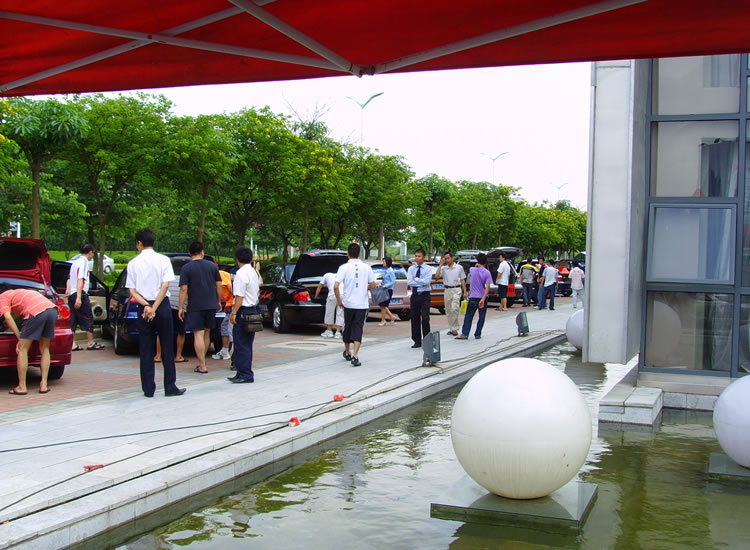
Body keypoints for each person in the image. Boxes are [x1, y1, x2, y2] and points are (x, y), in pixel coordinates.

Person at [126, 228, 185, 398]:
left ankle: (148, 389)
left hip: (143, 307)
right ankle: (170, 386)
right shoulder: (163, 260)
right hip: (162, 306)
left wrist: (147, 306)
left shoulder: (133, 263)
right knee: (167, 344)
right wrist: (155, 307)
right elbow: (165, 285)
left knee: (146, 347)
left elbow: (132, 290)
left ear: (139, 243)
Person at [0, 288, 58, 395]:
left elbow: (8, 317)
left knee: (23, 349)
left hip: (35, 312)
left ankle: (22, 387)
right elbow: (17, 312)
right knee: (45, 348)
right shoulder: (18, 293)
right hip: (52, 310)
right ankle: (44, 385)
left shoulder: (2, 298)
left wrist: (19, 338)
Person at [178, 241, 222, 374]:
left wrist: (181, 307)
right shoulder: (212, 266)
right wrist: (218, 301)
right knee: (207, 332)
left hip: (195, 305)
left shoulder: (186, 268)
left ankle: (202, 365)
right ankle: (203, 363)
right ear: (202, 252)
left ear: (190, 253)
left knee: (198, 333)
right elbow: (219, 285)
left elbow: (184, 289)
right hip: (211, 304)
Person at [334, 242, 376, 367]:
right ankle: (355, 355)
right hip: (362, 304)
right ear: (359, 254)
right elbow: (373, 285)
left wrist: (339, 300)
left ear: (348, 254)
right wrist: (365, 287)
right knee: (358, 327)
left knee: (347, 326)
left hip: (348, 303)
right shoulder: (367, 267)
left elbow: (336, 286)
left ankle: (347, 352)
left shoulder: (343, 267)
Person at [228, 247, 261, 383]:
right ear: (251, 258)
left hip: (243, 310)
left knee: (241, 343)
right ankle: (241, 372)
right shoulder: (253, 272)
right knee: (246, 343)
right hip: (253, 309)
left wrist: (234, 312)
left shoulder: (240, 274)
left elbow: (239, 296)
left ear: (237, 259)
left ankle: (245, 374)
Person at [67, 244, 103, 351]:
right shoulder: (84, 262)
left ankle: (72, 343)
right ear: (90, 252)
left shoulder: (75, 262)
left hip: (72, 293)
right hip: (80, 293)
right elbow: (80, 279)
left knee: (72, 318)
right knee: (88, 316)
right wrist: (79, 297)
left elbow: (69, 278)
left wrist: (68, 289)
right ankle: (90, 342)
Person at [456, 252, 492, 340]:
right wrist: (483, 299)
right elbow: (487, 287)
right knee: (482, 316)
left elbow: (474, 268)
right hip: (482, 297)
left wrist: (476, 265)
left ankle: (465, 333)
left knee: (469, 315)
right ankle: (478, 334)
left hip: (473, 297)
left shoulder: (472, 269)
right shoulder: (487, 273)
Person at [154, 273, 188, 364]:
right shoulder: (185, 277)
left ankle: (158, 356)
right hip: (180, 307)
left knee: (161, 331)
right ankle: (178, 356)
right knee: (181, 332)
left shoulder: (166, 277)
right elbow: (185, 291)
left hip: (166, 306)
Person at [406, 249, 435, 348]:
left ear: (423, 257)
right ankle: (417, 340)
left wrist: (416, 279)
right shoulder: (411, 269)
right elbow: (410, 282)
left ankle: (427, 340)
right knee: (415, 318)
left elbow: (427, 282)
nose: (417, 258)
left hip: (425, 295)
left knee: (425, 318)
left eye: (419, 256)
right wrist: (420, 282)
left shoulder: (428, 269)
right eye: (416, 256)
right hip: (415, 295)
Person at [435, 251, 466, 336]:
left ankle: (455, 328)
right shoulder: (444, 269)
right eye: (445, 259)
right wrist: (440, 265)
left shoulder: (459, 267)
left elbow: (462, 279)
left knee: (454, 308)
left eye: (448, 258)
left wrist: (464, 291)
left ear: (452, 258)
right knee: (448, 310)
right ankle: (451, 328)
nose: (447, 260)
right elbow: (436, 276)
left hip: (456, 289)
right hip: (447, 289)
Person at [212, 268, 235, 359]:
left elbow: (229, 285)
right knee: (224, 328)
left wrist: (235, 297)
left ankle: (234, 354)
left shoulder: (220, 274)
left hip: (231, 305)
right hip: (228, 306)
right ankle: (225, 351)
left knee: (230, 329)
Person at [315, 271, 344, 338]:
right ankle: (338, 332)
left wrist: (316, 296)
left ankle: (329, 331)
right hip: (343, 295)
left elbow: (319, 287)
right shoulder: (340, 275)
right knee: (340, 313)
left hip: (332, 295)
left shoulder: (326, 275)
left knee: (329, 312)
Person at [378, 256, 397, 326]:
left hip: (388, 290)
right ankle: (391, 317)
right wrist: (381, 284)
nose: (383, 263)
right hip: (384, 289)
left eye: (384, 262)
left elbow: (393, 281)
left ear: (387, 262)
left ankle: (384, 320)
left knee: (383, 305)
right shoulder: (387, 270)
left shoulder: (390, 271)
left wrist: (386, 285)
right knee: (382, 305)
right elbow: (385, 280)